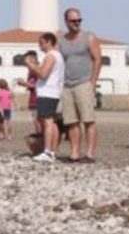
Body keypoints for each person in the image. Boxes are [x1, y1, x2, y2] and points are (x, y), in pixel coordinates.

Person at [59, 8, 103, 163]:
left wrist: (92, 82)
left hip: (84, 83)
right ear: (66, 21)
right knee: (71, 121)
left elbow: (98, 59)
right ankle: (74, 153)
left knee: (88, 120)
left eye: (79, 20)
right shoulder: (61, 40)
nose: (76, 23)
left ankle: (90, 153)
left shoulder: (89, 37)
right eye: (73, 20)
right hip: (67, 85)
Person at [27, 34, 65, 163]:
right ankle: (52, 151)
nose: (40, 46)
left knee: (47, 122)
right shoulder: (58, 56)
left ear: (49, 42)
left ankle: (48, 151)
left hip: (48, 92)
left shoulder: (51, 56)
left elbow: (43, 74)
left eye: (42, 42)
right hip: (53, 92)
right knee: (52, 123)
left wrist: (31, 65)